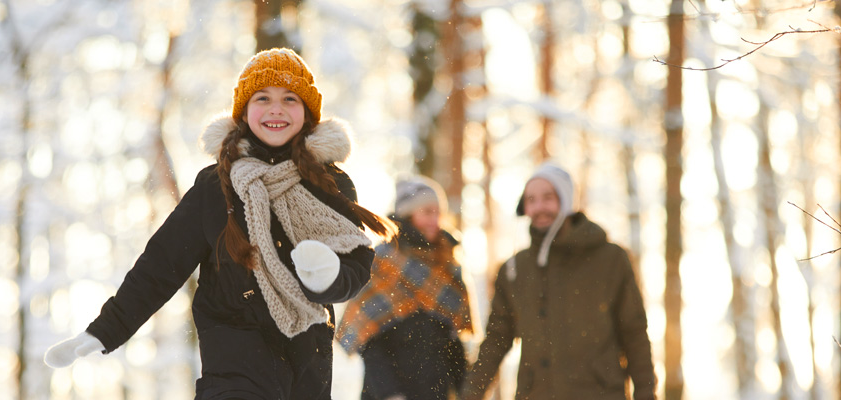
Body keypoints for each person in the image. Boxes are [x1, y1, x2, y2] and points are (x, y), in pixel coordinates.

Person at [43, 48, 396, 400]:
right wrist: (106, 330)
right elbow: (160, 266)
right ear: (244, 111)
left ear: (307, 113)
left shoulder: (328, 184)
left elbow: (355, 264)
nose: (276, 108)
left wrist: (327, 278)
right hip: (232, 362)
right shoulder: (216, 186)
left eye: (290, 98)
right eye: (263, 98)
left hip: (305, 362)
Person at [462, 163, 656, 400]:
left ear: (566, 201)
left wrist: (646, 393)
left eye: (548, 197)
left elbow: (634, 334)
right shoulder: (514, 269)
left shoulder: (611, 259)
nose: (539, 207)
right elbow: (496, 340)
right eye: (531, 200)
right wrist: (470, 394)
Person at [337, 176, 474, 400]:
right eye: (427, 212)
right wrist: (391, 393)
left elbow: (453, 341)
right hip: (386, 391)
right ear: (408, 214)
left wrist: (467, 391)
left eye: (438, 212)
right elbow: (369, 341)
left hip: (435, 391)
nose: (435, 220)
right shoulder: (383, 260)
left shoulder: (447, 263)